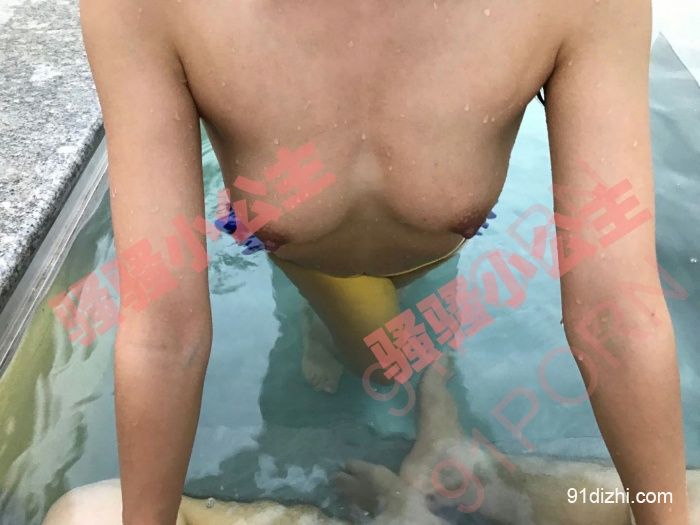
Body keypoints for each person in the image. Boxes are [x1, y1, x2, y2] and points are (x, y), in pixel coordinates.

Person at [78, 0, 690, 524]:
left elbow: (619, 313)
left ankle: (443, 431)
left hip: (436, 246)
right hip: (302, 251)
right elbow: (165, 331)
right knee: (382, 359)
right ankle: (336, 333)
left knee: (420, 350)